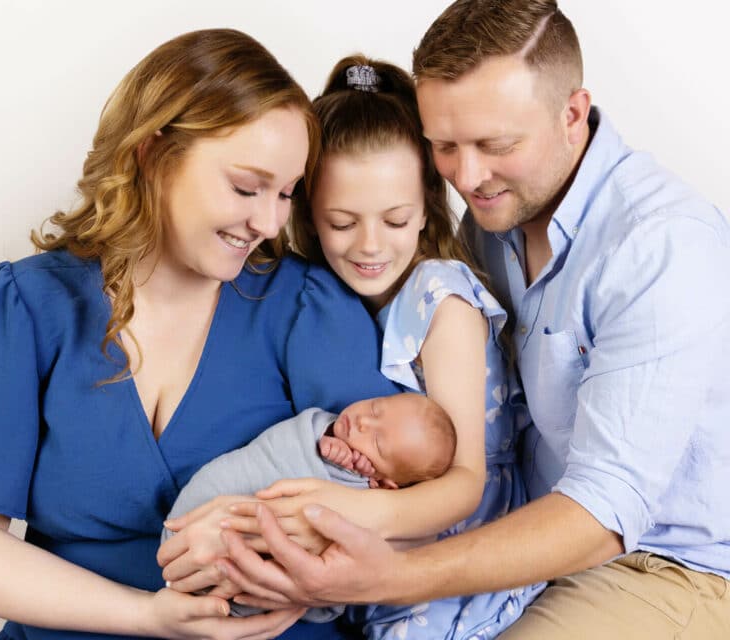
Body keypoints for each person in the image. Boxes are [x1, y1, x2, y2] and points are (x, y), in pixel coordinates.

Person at [216, 2, 730, 638]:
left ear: (572, 114)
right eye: (445, 147)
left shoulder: (660, 245)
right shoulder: (489, 226)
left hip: (661, 565)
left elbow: (605, 513)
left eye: (496, 145)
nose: (468, 176)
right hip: (524, 552)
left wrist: (385, 574)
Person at [0, 28, 404, 640]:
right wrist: (147, 616)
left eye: (286, 193)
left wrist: (265, 530)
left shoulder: (305, 307)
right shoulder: (26, 306)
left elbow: (406, 507)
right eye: (244, 186)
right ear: (153, 154)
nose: (267, 222)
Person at [203, 55, 544, 639]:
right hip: (369, 560)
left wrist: (352, 514)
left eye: (395, 218)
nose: (369, 246)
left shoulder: (444, 301)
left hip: (454, 560)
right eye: (341, 222)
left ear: (426, 210)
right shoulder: (323, 298)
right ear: (306, 210)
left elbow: (465, 484)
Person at [163, 392, 456, 622]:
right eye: (377, 408)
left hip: (235, 593)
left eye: (377, 443)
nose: (364, 422)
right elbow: (290, 447)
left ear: (387, 485)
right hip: (198, 515)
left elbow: (351, 539)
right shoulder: (319, 429)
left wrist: (353, 477)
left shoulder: (377, 504)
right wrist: (328, 447)